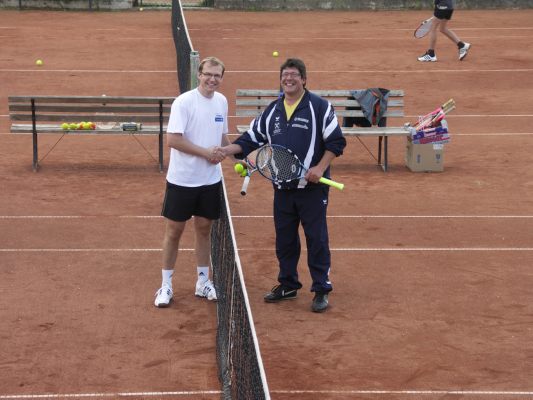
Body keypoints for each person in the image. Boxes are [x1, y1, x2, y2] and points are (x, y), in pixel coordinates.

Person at [220, 58, 346, 313]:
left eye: (294, 75)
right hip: (282, 189)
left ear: (304, 79)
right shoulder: (272, 111)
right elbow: (251, 139)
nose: (289, 79)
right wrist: (226, 150)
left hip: (312, 190)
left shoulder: (320, 107)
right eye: (285, 75)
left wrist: (320, 168)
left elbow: (336, 142)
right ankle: (288, 284)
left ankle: (321, 288)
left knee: (317, 239)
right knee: (285, 240)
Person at [154, 56, 230, 308]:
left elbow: (222, 138)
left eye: (217, 75)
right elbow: (173, 140)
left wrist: (243, 154)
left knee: (204, 229)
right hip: (182, 180)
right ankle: (166, 285)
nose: (212, 79)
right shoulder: (184, 102)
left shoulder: (221, 102)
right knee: (174, 231)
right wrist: (206, 153)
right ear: (199, 74)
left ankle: (202, 281)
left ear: (221, 78)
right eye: (208, 74)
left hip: (210, 180)